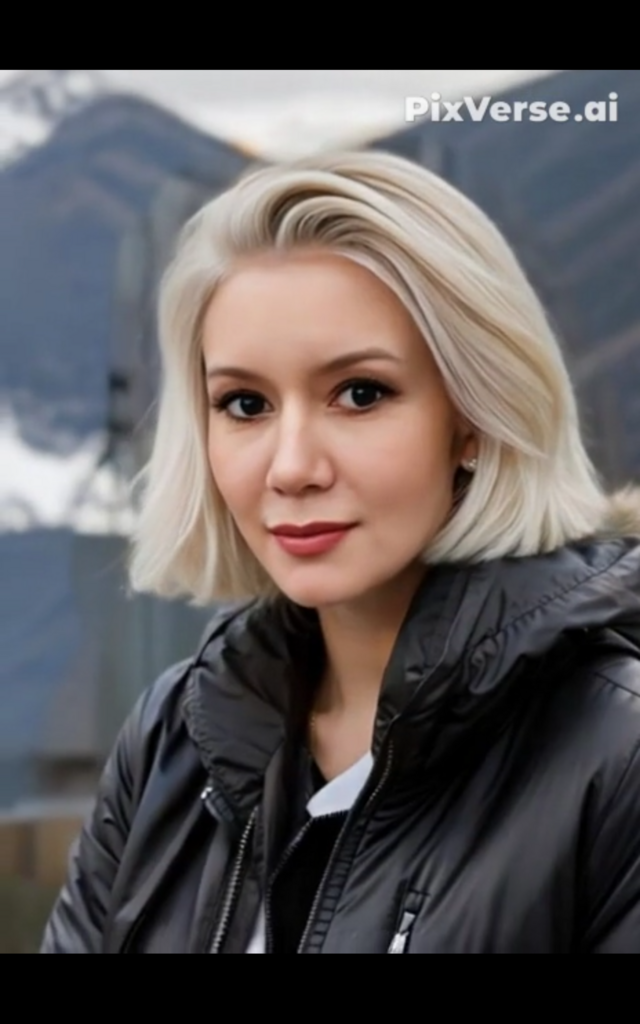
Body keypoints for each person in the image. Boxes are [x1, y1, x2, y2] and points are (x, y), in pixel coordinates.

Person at [41, 150, 640, 955]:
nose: (292, 468)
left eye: (360, 394)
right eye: (244, 404)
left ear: (473, 418)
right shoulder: (170, 738)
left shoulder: (617, 751)